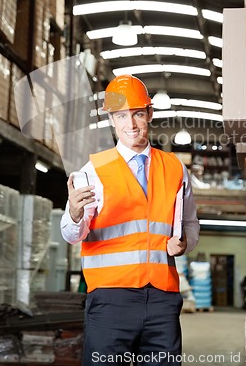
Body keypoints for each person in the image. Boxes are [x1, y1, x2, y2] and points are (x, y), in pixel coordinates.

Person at [60, 74, 199, 366]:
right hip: (111, 299)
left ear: (149, 113)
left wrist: (184, 243)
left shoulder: (175, 168)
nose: (131, 124)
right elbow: (73, 233)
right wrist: (73, 213)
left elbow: (190, 224)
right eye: (121, 116)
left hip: (162, 299)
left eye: (137, 114)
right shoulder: (94, 170)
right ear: (112, 119)